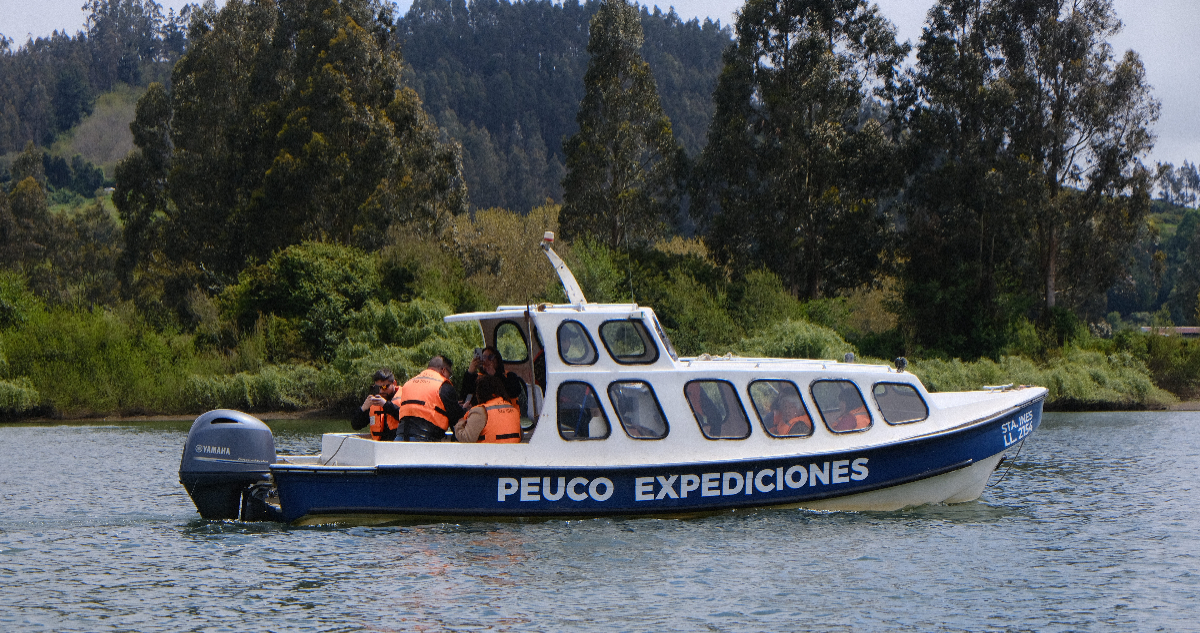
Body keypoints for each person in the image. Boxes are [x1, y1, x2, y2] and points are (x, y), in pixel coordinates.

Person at [396, 356, 465, 442]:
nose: (449, 378)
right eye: (449, 374)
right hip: (425, 440)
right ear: (443, 370)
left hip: (400, 439)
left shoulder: (408, 383)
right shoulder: (443, 386)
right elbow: (455, 418)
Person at [453, 375, 522, 443]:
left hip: (487, 453)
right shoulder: (513, 410)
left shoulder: (480, 411)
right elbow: (521, 435)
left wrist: (460, 423)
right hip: (512, 452)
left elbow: (467, 438)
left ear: (480, 393)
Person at [460, 346, 524, 407]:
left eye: (490, 357)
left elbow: (514, 392)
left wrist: (495, 375)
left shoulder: (509, 375)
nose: (487, 360)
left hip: (505, 413)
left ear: (497, 359)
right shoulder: (477, 378)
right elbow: (464, 396)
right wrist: (469, 373)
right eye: (484, 357)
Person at [350, 369, 402, 441]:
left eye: (384, 387)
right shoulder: (374, 402)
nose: (380, 391)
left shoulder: (404, 397)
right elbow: (355, 425)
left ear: (394, 383)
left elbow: (406, 418)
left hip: (398, 445)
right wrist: (363, 409)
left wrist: (385, 405)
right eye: (377, 387)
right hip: (379, 446)